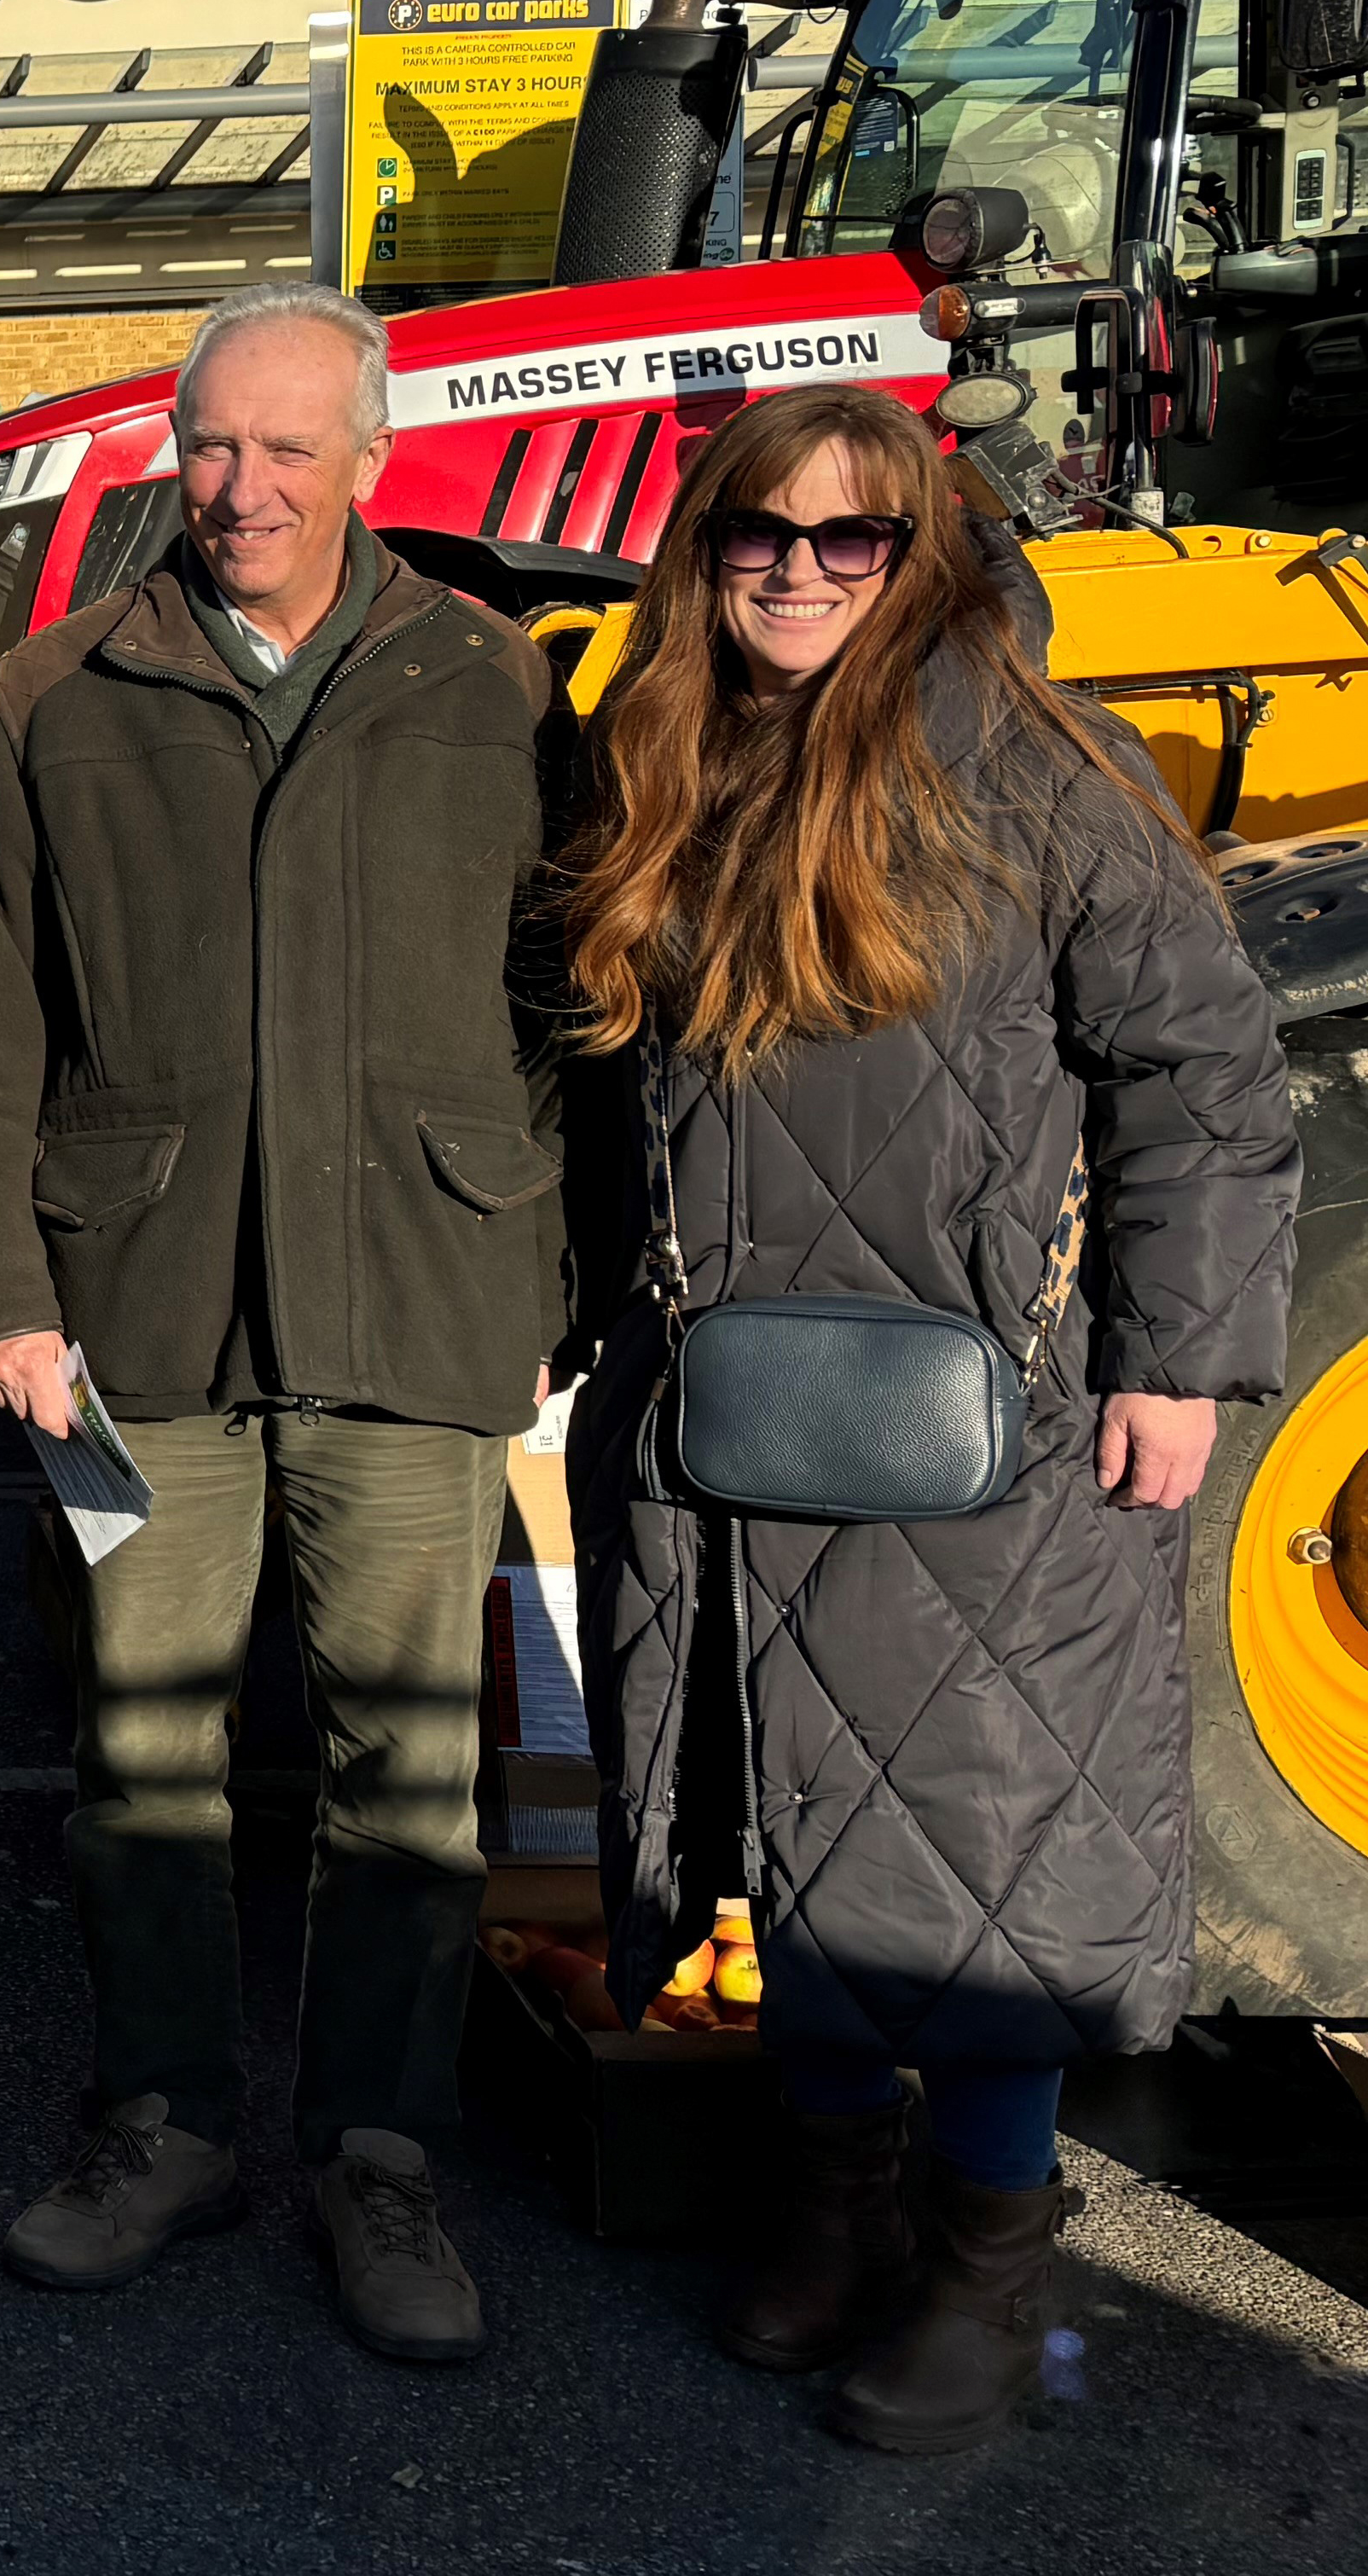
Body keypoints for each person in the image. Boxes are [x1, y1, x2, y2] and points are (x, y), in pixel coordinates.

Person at [548, 385, 1294, 2452]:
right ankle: (831, 2194)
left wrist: (1178, 1355)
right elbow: (615, 1098)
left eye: (846, 539)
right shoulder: (668, 755)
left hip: (987, 1420)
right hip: (727, 1409)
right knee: (770, 1819)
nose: (795, 570)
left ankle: (985, 2249)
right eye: (755, 537)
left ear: (921, 555)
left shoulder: (1045, 774)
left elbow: (1204, 1075)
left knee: (979, 1846)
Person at [0, 282, 561, 2363]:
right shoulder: (49, 695)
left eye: (290, 449)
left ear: (373, 459)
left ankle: (378, 2154)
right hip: (136, 1320)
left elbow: (581, 1012)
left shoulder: (501, 686)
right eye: (213, 446)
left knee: (413, 1776)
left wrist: (543, 1271)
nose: (243, 486)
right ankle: (164, 2123)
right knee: (145, 1751)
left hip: (418, 1300)